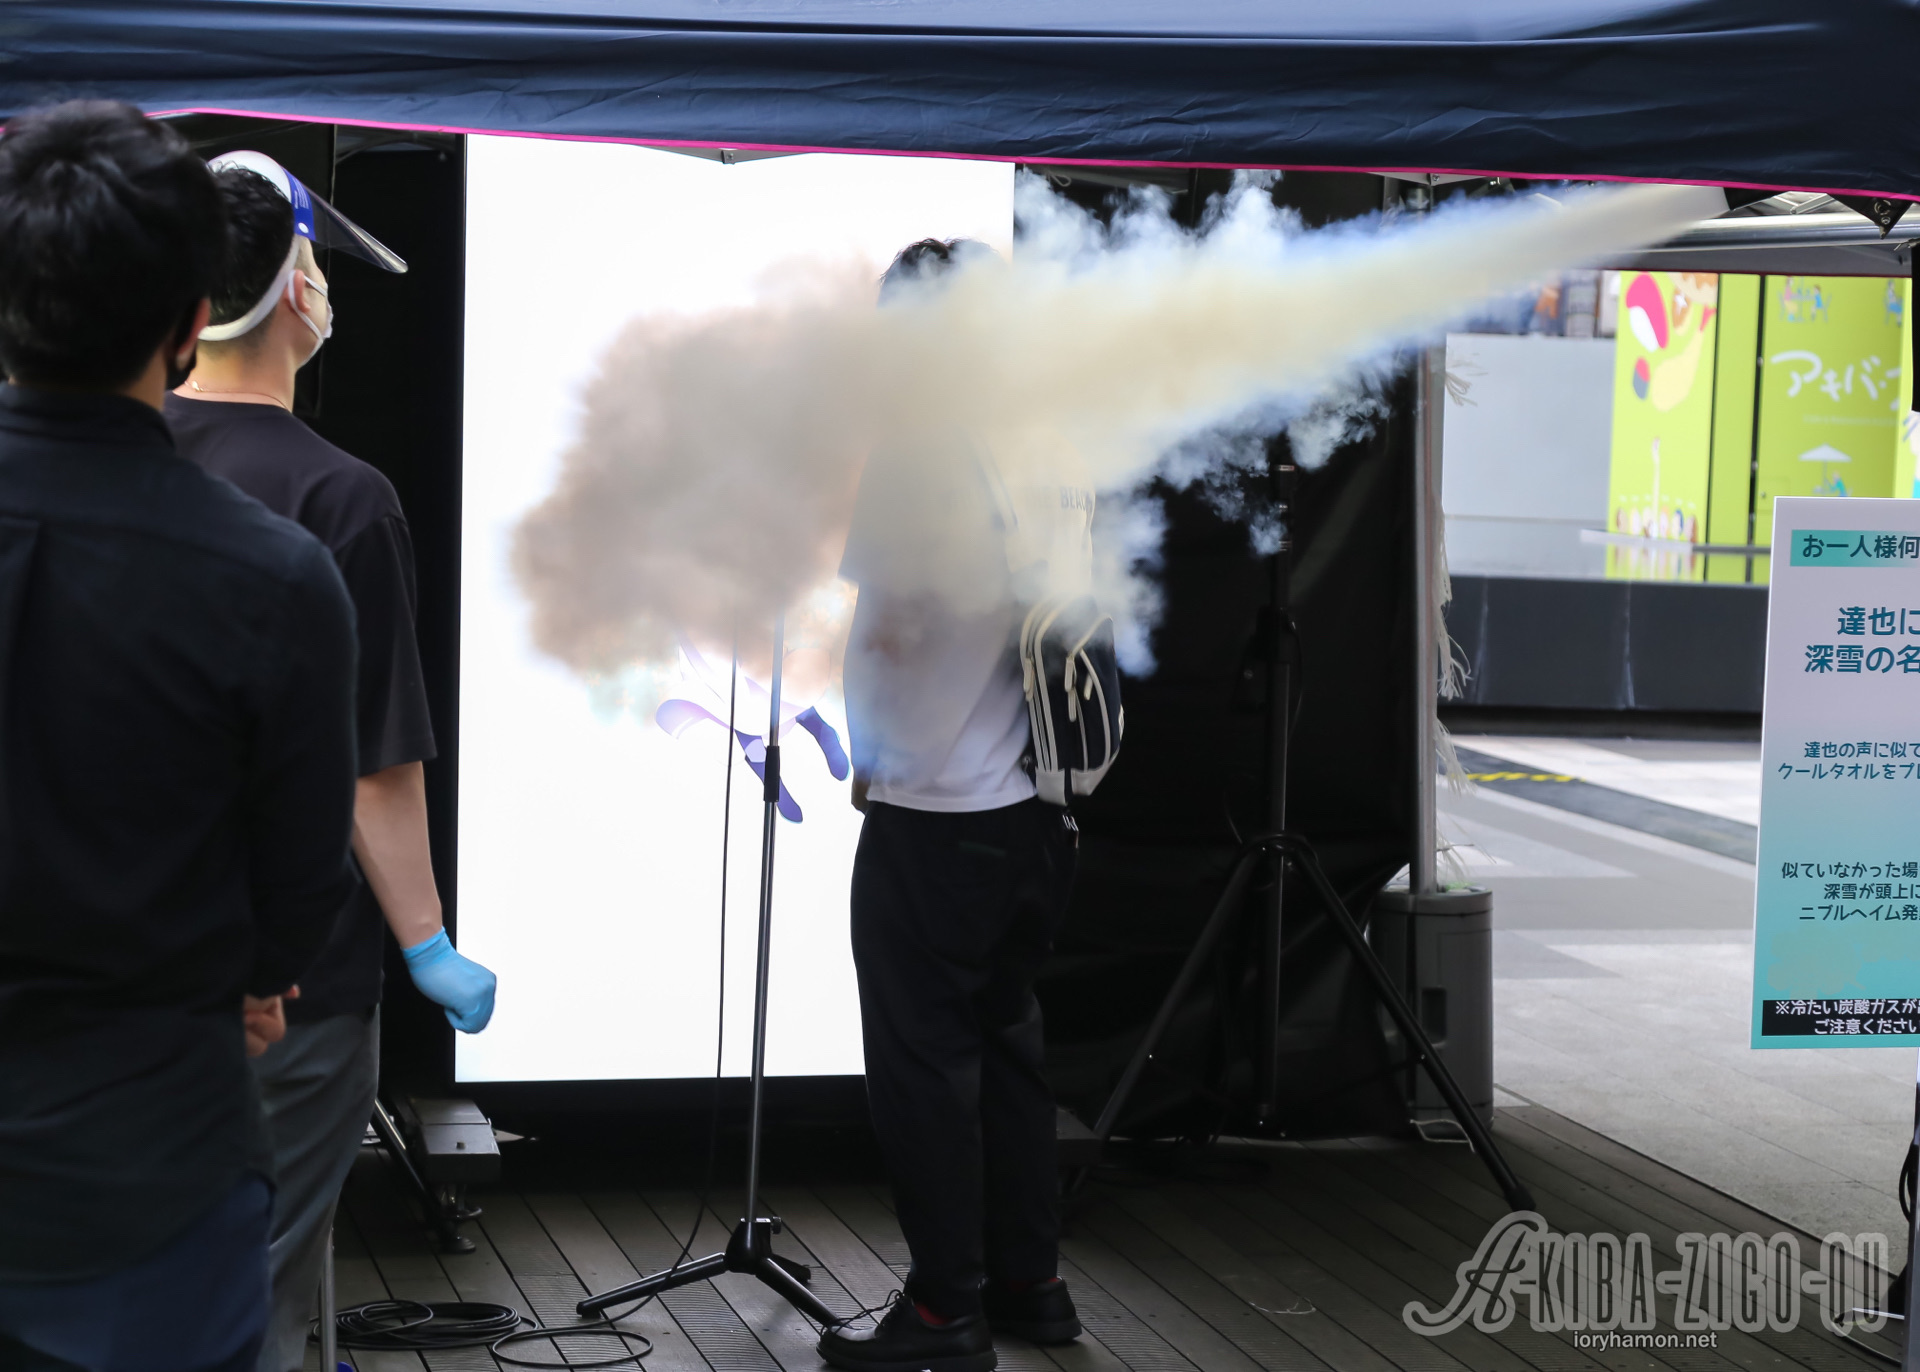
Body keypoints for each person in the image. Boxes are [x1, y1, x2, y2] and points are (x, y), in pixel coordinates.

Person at [0, 102, 359, 1372]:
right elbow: (297, 893)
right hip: (154, 1176)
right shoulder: (276, 577)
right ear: (188, 321)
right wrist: (243, 981)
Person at [167, 150, 498, 1372]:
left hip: (124, 963)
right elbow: (373, 763)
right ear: (299, 289)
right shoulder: (341, 498)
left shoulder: (105, 455)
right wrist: (427, 941)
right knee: (251, 1284)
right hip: (288, 987)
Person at [820, 239, 1091, 1372]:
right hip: (1034, 808)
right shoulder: (1050, 443)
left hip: (935, 813)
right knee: (1010, 1049)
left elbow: (885, 634)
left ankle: (945, 1311)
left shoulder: (921, 453)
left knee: (923, 1068)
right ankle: (1032, 1284)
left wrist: (868, 757)